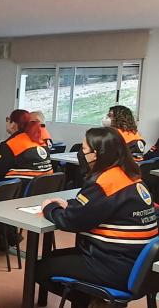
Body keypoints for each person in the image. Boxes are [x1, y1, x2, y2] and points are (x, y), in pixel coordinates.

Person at [36, 127, 158, 307]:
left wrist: (50, 207)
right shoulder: (130, 177)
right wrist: (71, 204)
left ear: (96, 154)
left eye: (84, 149)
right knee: (58, 257)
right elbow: (97, 206)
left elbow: (70, 221)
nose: (81, 153)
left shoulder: (104, 183)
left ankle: (90, 302)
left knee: (41, 268)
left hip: (114, 267)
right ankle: (93, 301)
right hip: (141, 267)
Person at [0, 109, 53, 189]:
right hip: (41, 190)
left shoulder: (11, 144)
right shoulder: (40, 141)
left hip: (18, 192)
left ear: (13, 124)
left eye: (8, 120)